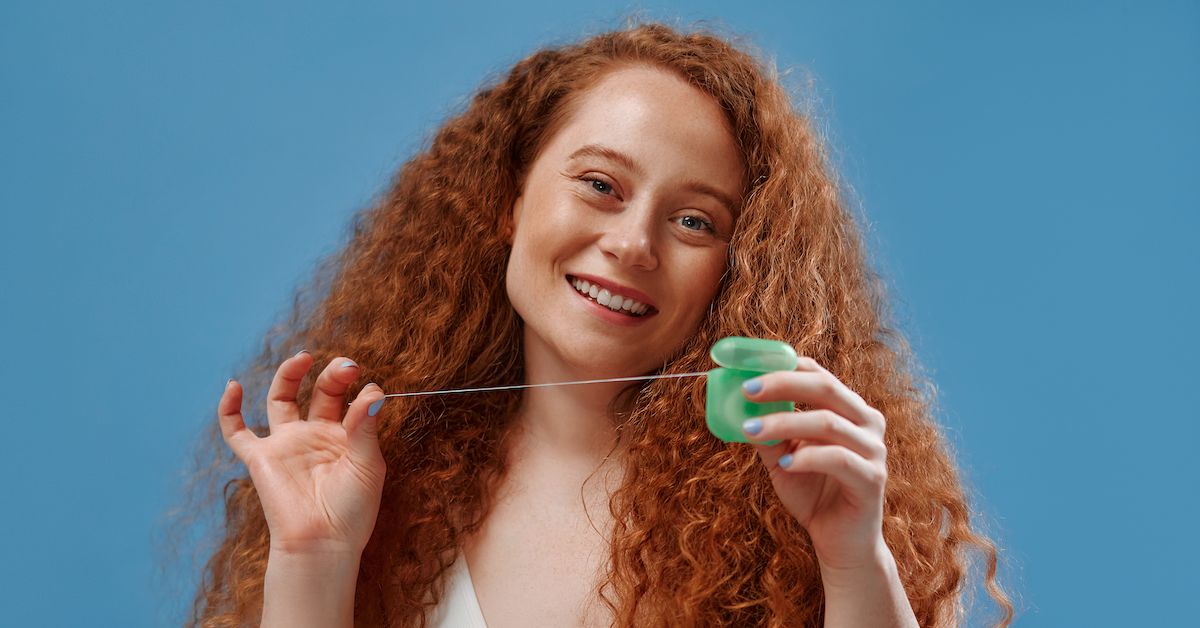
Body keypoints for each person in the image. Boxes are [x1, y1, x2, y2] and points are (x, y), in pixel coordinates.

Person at [180, 19, 1015, 627]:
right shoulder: (385, 486)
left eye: (695, 221)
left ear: (737, 267)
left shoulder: (791, 511)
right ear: (508, 202)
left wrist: (850, 556)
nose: (633, 244)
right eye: (601, 186)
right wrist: (314, 561)